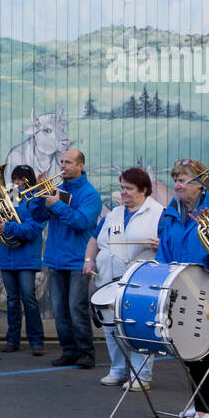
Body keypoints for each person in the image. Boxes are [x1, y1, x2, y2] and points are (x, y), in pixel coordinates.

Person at [154, 157, 209, 418]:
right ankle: (198, 403)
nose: (177, 184)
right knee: (185, 344)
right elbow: (164, 245)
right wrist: (164, 273)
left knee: (204, 346)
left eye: (182, 180)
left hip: (207, 284)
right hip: (179, 282)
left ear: (198, 184)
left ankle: (207, 408)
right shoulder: (173, 209)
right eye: (175, 179)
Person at [85, 167, 165, 389]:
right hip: (108, 280)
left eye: (129, 188)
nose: (123, 192)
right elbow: (95, 239)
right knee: (111, 327)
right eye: (122, 188)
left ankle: (141, 375)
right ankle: (118, 370)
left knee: (138, 327)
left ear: (144, 189)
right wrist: (89, 260)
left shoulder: (159, 214)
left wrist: (161, 246)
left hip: (140, 282)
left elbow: (170, 246)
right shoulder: (114, 214)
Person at [40, 148, 102, 368]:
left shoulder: (90, 194)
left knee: (77, 308)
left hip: (77, 259)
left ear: (80, 165)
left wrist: (56, 205)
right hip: (55, 258)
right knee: (59, 310)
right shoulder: (56, 189)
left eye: (68, 162)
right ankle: (68, 350)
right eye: (62, 162)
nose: (63, 166)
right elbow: (39, 217)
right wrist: (39, 201)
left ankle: (86, 352)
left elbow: (81, 222)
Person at [0, 164, 48, 355]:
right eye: (15, 179)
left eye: (21, 179)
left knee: (29, 299)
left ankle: (37, 341)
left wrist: (9, 227)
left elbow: (34, 229)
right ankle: (12, 340)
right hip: (6, 255)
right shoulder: (8, 196)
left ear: (29, 181)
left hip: (27, 257)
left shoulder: (36, 200)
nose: (17, 183)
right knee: (11, 300)